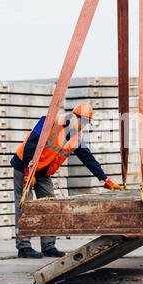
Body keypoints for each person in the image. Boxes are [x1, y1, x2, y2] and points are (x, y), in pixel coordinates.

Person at [10, 103, 123, 258]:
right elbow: (31, 142)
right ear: (73, 115)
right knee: (25, 206)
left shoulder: (78, 137)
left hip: (43, 172)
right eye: (81, 120)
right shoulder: (50, 121)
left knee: (50, 207)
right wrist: (29, 171)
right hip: (24, 166)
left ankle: (48, 246)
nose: (83, 124)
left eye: (86, 122)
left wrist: (105, 180)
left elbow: (88, 158)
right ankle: (23, 247)